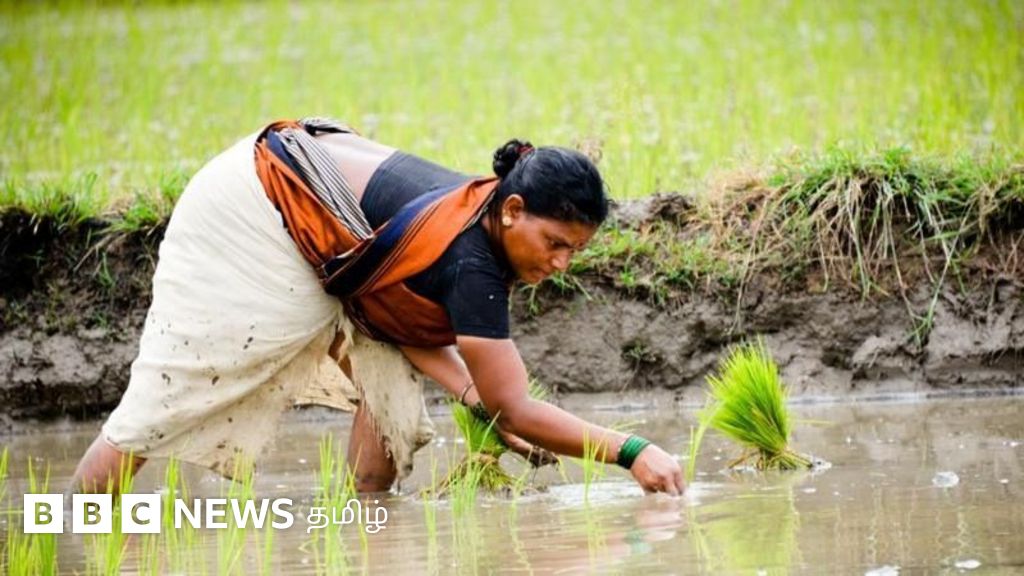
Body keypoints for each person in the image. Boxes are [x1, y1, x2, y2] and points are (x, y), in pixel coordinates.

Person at [71, 117, 685, 496]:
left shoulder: (483, 220)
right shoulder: (473, 263)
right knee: (168, 400)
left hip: (320, 218)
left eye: (573, 252)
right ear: (515, 210)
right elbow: (516, 406)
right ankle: (74, 521)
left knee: (390, 412)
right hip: (255, 207)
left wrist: (480, 402)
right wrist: (632, 451)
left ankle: (367, 528)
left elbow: (398, 315)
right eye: (555, 244)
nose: (560, 265)